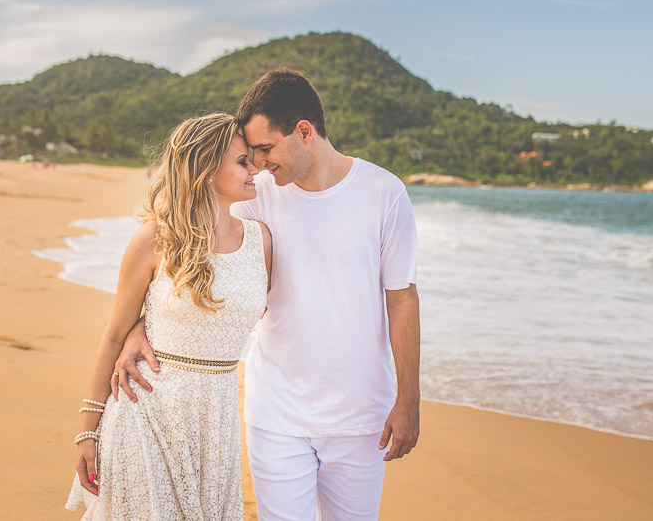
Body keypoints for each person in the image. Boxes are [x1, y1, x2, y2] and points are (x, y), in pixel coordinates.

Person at [116, 69, 421, 520]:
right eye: (250, 154)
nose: (257, 163)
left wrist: (409, 400)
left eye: (264, 149)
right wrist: (142, 323)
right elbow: (186, 244)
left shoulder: (384, 193)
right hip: (275, 411)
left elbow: (402, 299)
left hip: (361, 416)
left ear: (304, 132)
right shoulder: (258, 193)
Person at [65, 112, 273, 520]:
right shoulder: (154, 238)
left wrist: (148, 323)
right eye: (242, 161)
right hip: (146, 413)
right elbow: (113, 335)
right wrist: (88, 430)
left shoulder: (261, 241)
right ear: (204, 169)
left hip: (216, 425)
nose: (255, 169)